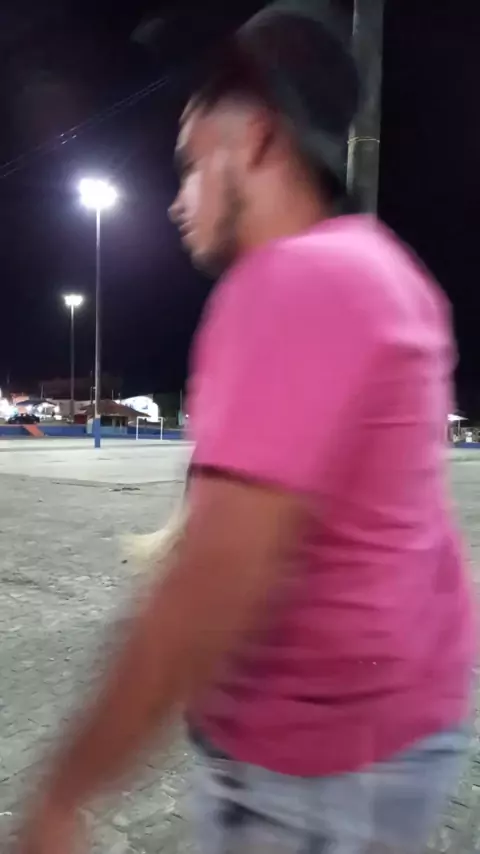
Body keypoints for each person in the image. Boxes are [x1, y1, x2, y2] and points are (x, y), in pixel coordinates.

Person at [18, 8, 475, 854]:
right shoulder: (387, 273)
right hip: (398, 741)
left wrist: (64, 791)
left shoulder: (291, 282)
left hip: (309, 782)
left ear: (258, 139)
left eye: (192, 164)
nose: (176, 200)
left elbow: (207, 594)